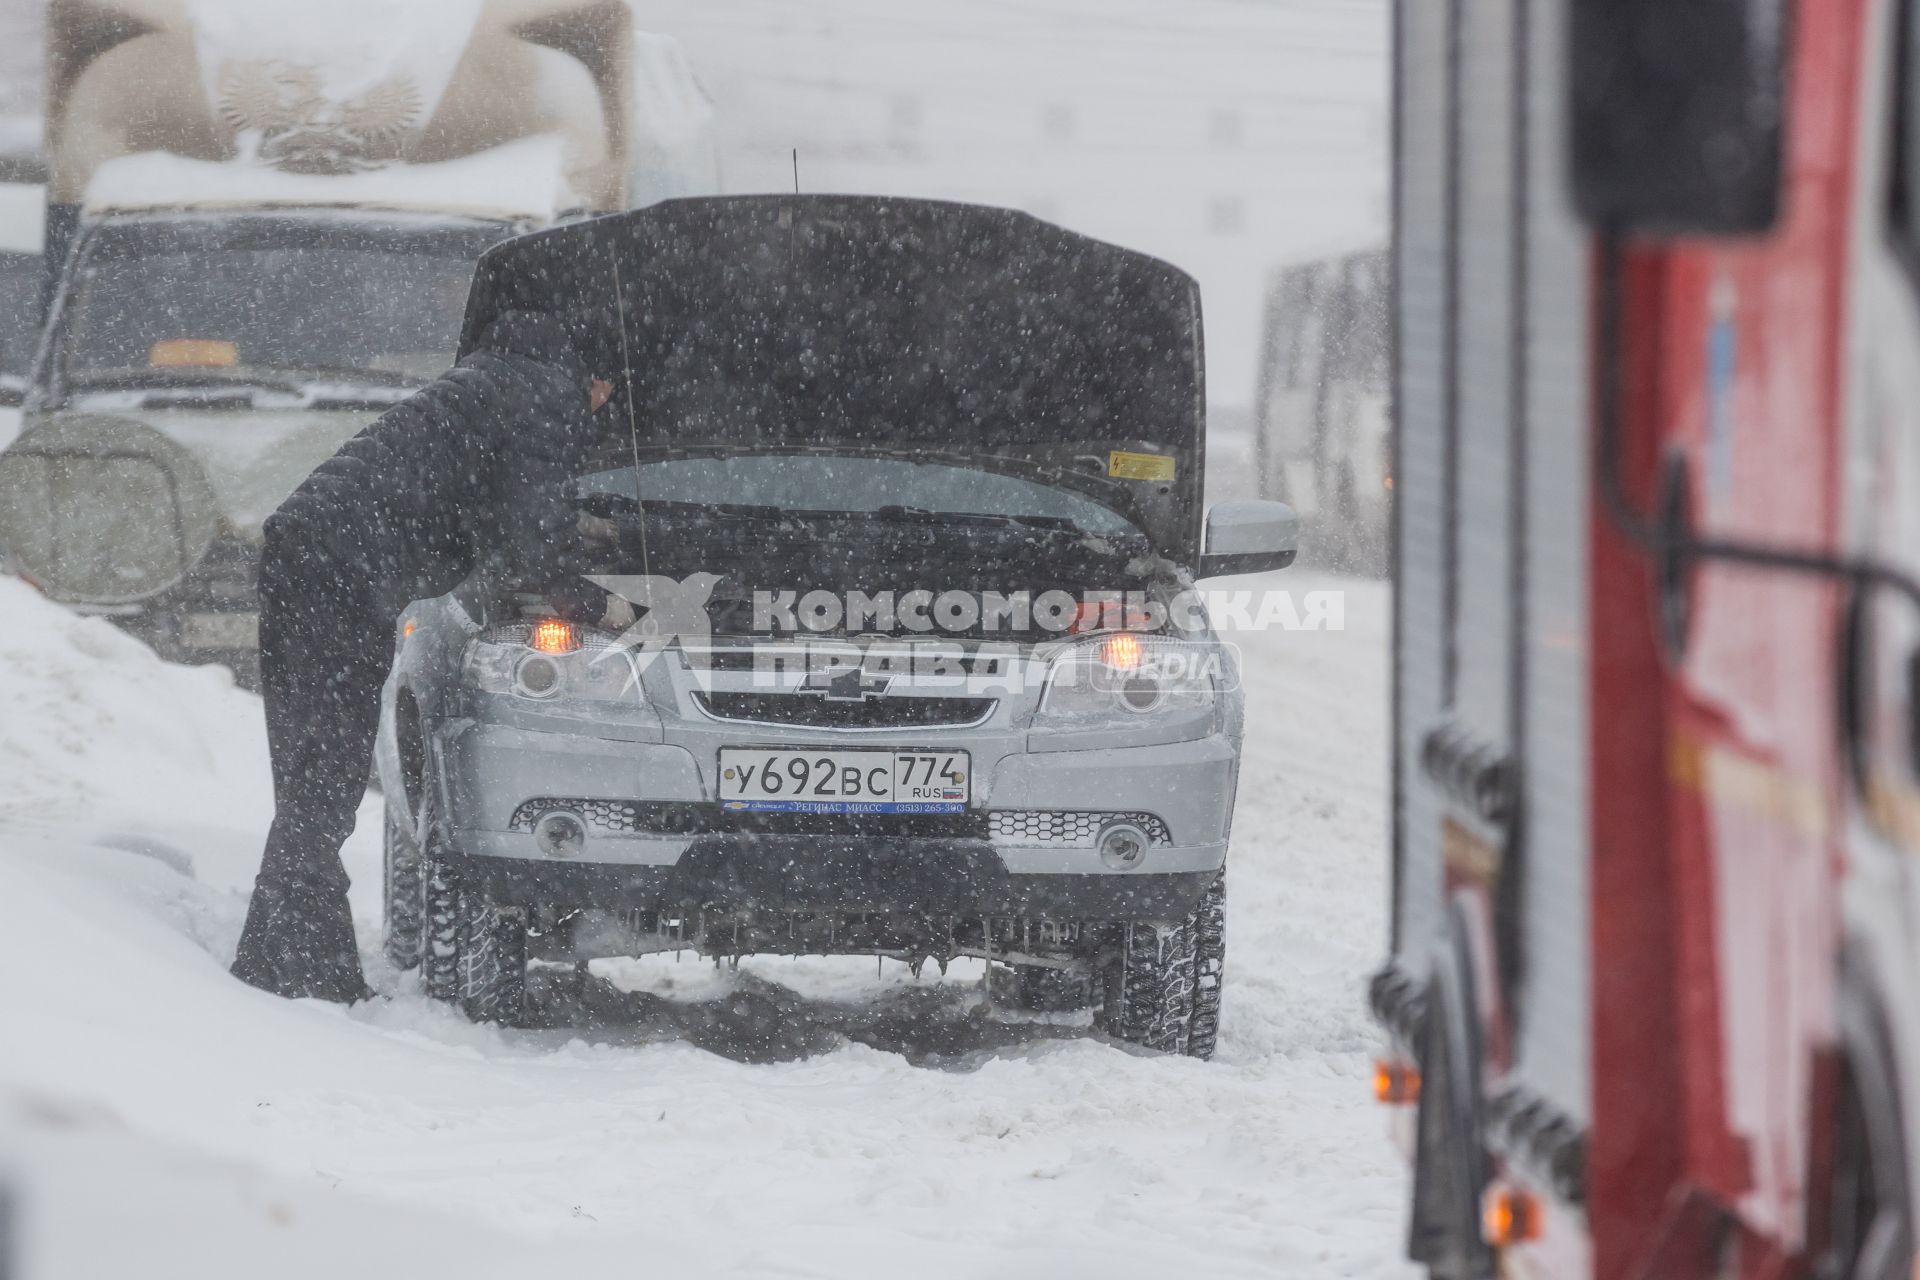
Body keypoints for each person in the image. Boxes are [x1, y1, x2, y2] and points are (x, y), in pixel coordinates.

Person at [230, 309, 616, 1002]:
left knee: (311, 768)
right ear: (597, 381)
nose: (601, 411)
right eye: (607, 398)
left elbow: (498, 506)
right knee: (327, 771)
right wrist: (609, 607)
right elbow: (537, 543)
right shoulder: (549, 397)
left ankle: (270, 959)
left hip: (306, 551)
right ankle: (310, 976)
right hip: (341, 570)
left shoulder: (494, 380)